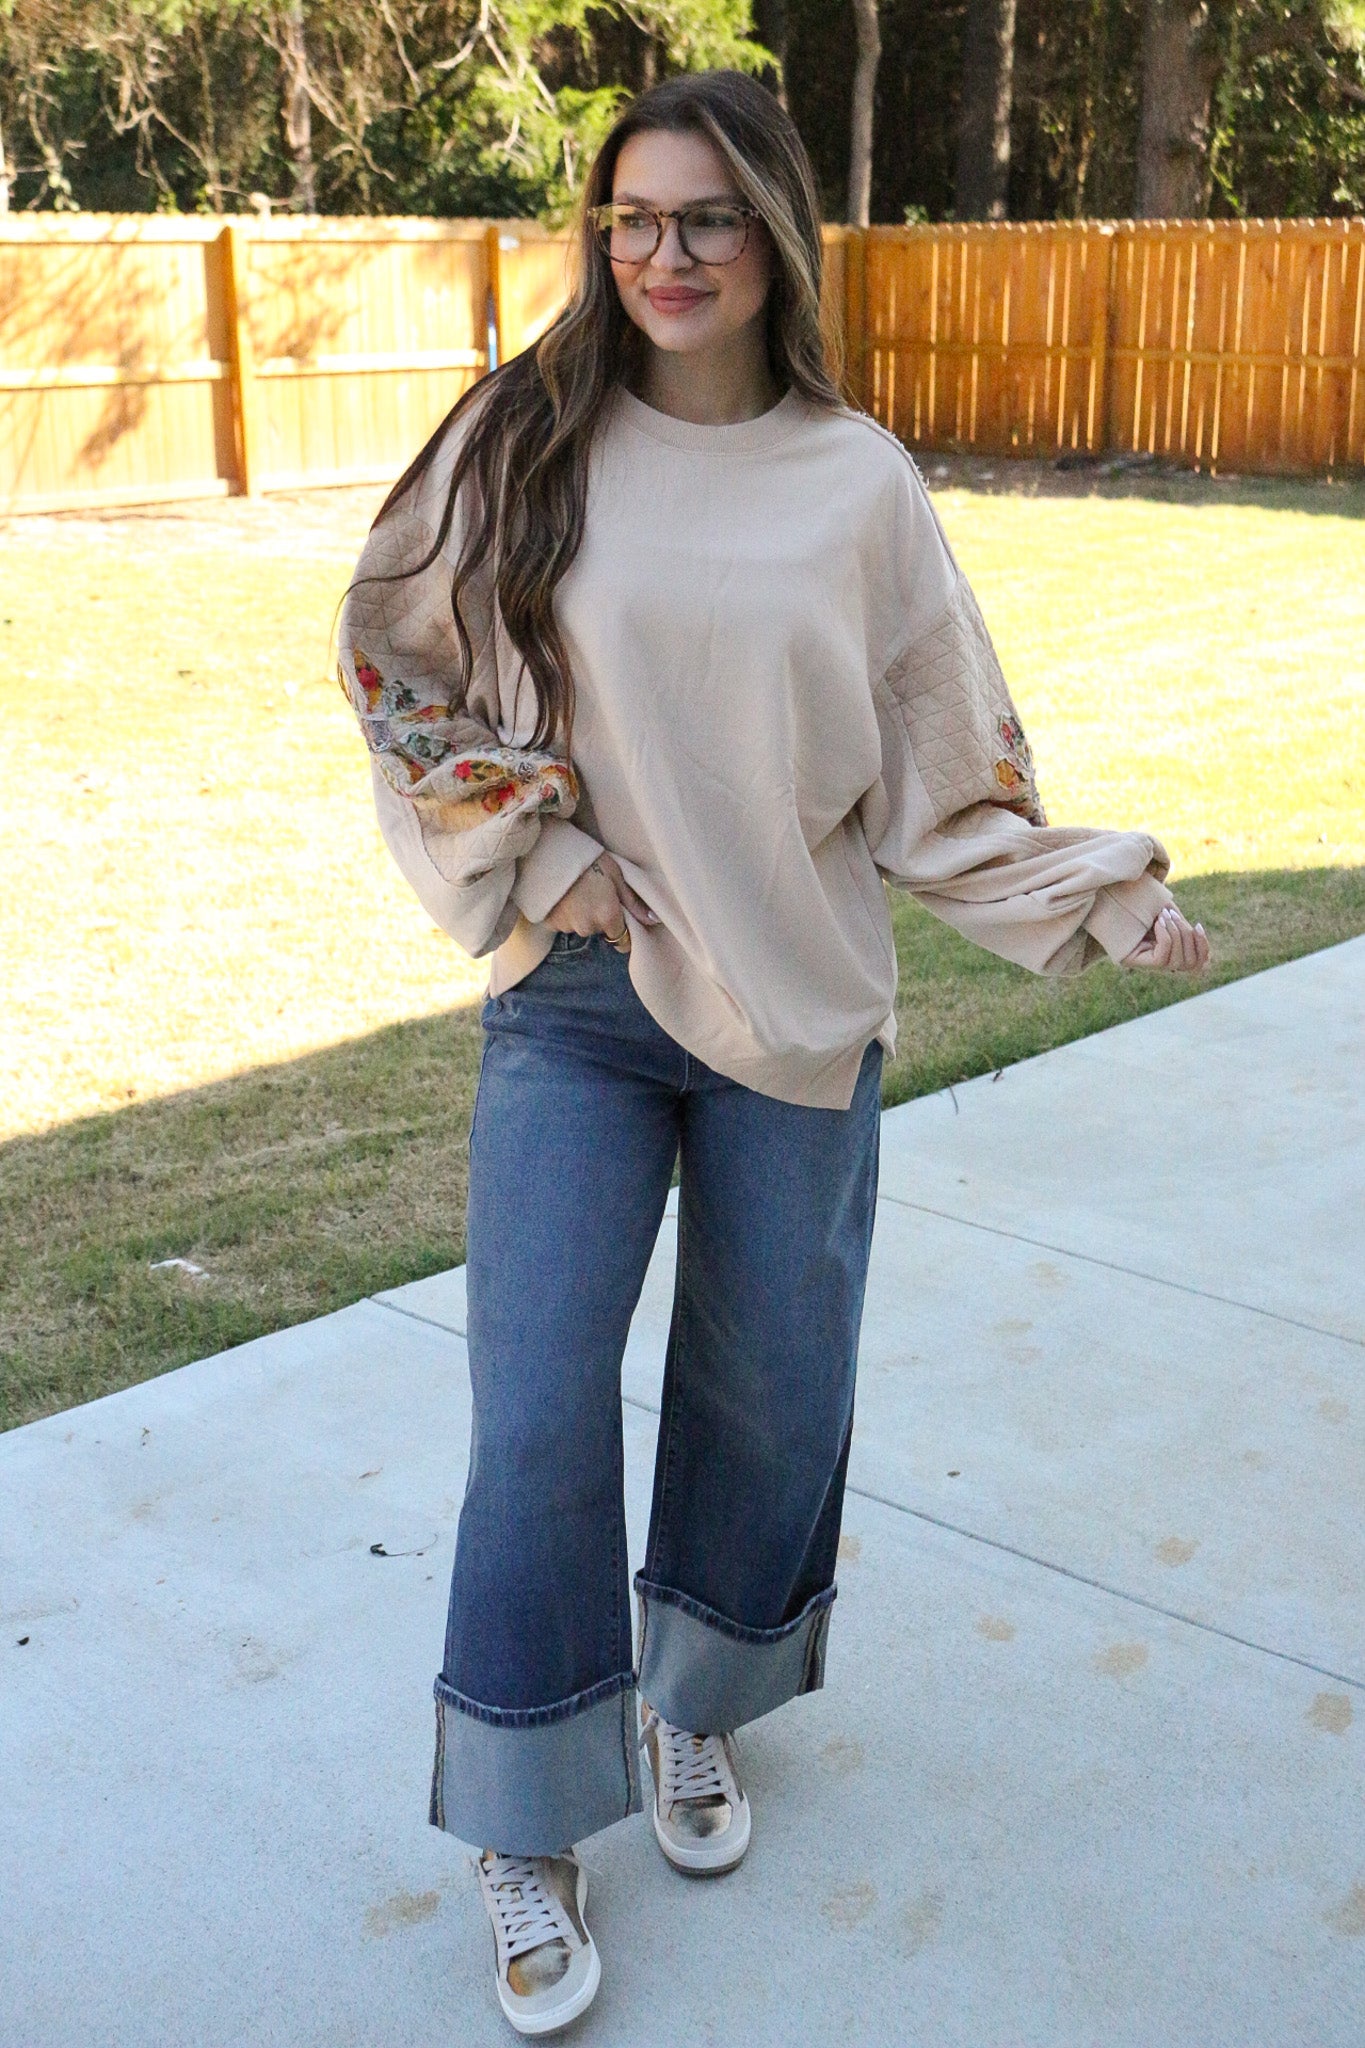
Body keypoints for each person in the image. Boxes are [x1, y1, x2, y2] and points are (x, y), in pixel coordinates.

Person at [339, 68, 1209, 2037]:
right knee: (536, 1410)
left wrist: (1096, 897)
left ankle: (694, 1701)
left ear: (774, 235)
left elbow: (942, 770)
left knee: (767, 1393)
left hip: (798, 1005)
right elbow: (396, 654)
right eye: (632, 219)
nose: (665, 255)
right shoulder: (521, 436)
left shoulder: (856, 485)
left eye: (707, 218)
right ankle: (524, 1823)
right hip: (577, 1007)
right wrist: (534, 851)